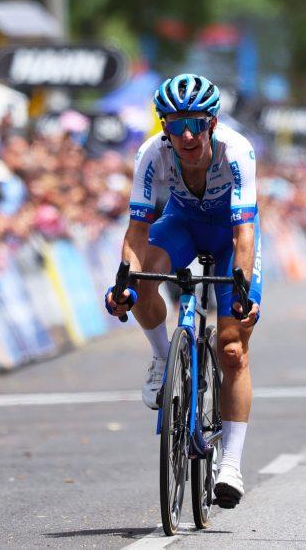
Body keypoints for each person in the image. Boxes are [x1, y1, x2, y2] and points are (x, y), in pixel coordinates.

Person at [104, 74, 262, 508]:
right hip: (182, 225)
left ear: (212, 122)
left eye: (195, 123)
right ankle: (161, 356)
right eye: (175, 125)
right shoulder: (150, 155)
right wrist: (123, 283)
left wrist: (242, 292)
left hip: (230, 236)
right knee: (141, 280)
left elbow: (244, 235)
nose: (187, 135)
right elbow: (137, 233)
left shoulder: (238, 151)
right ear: (163, 127)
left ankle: (230, 463)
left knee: (232, 349)